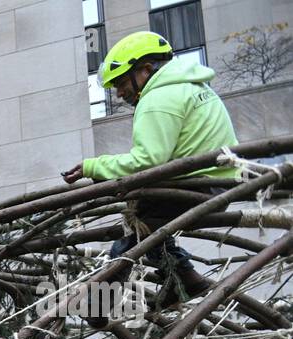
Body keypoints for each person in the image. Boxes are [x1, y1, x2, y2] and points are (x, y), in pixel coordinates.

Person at [62, 31, 238, 300]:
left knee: (135, 231)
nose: (119, 93)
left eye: (121, 83)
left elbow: (148, 161)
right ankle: (181, 282)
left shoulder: (157, 98)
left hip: (197, 188)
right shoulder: (193, 86)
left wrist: (93, 167)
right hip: (219, 185)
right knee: (150, 227)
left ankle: (98, 303)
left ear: (145, 70)